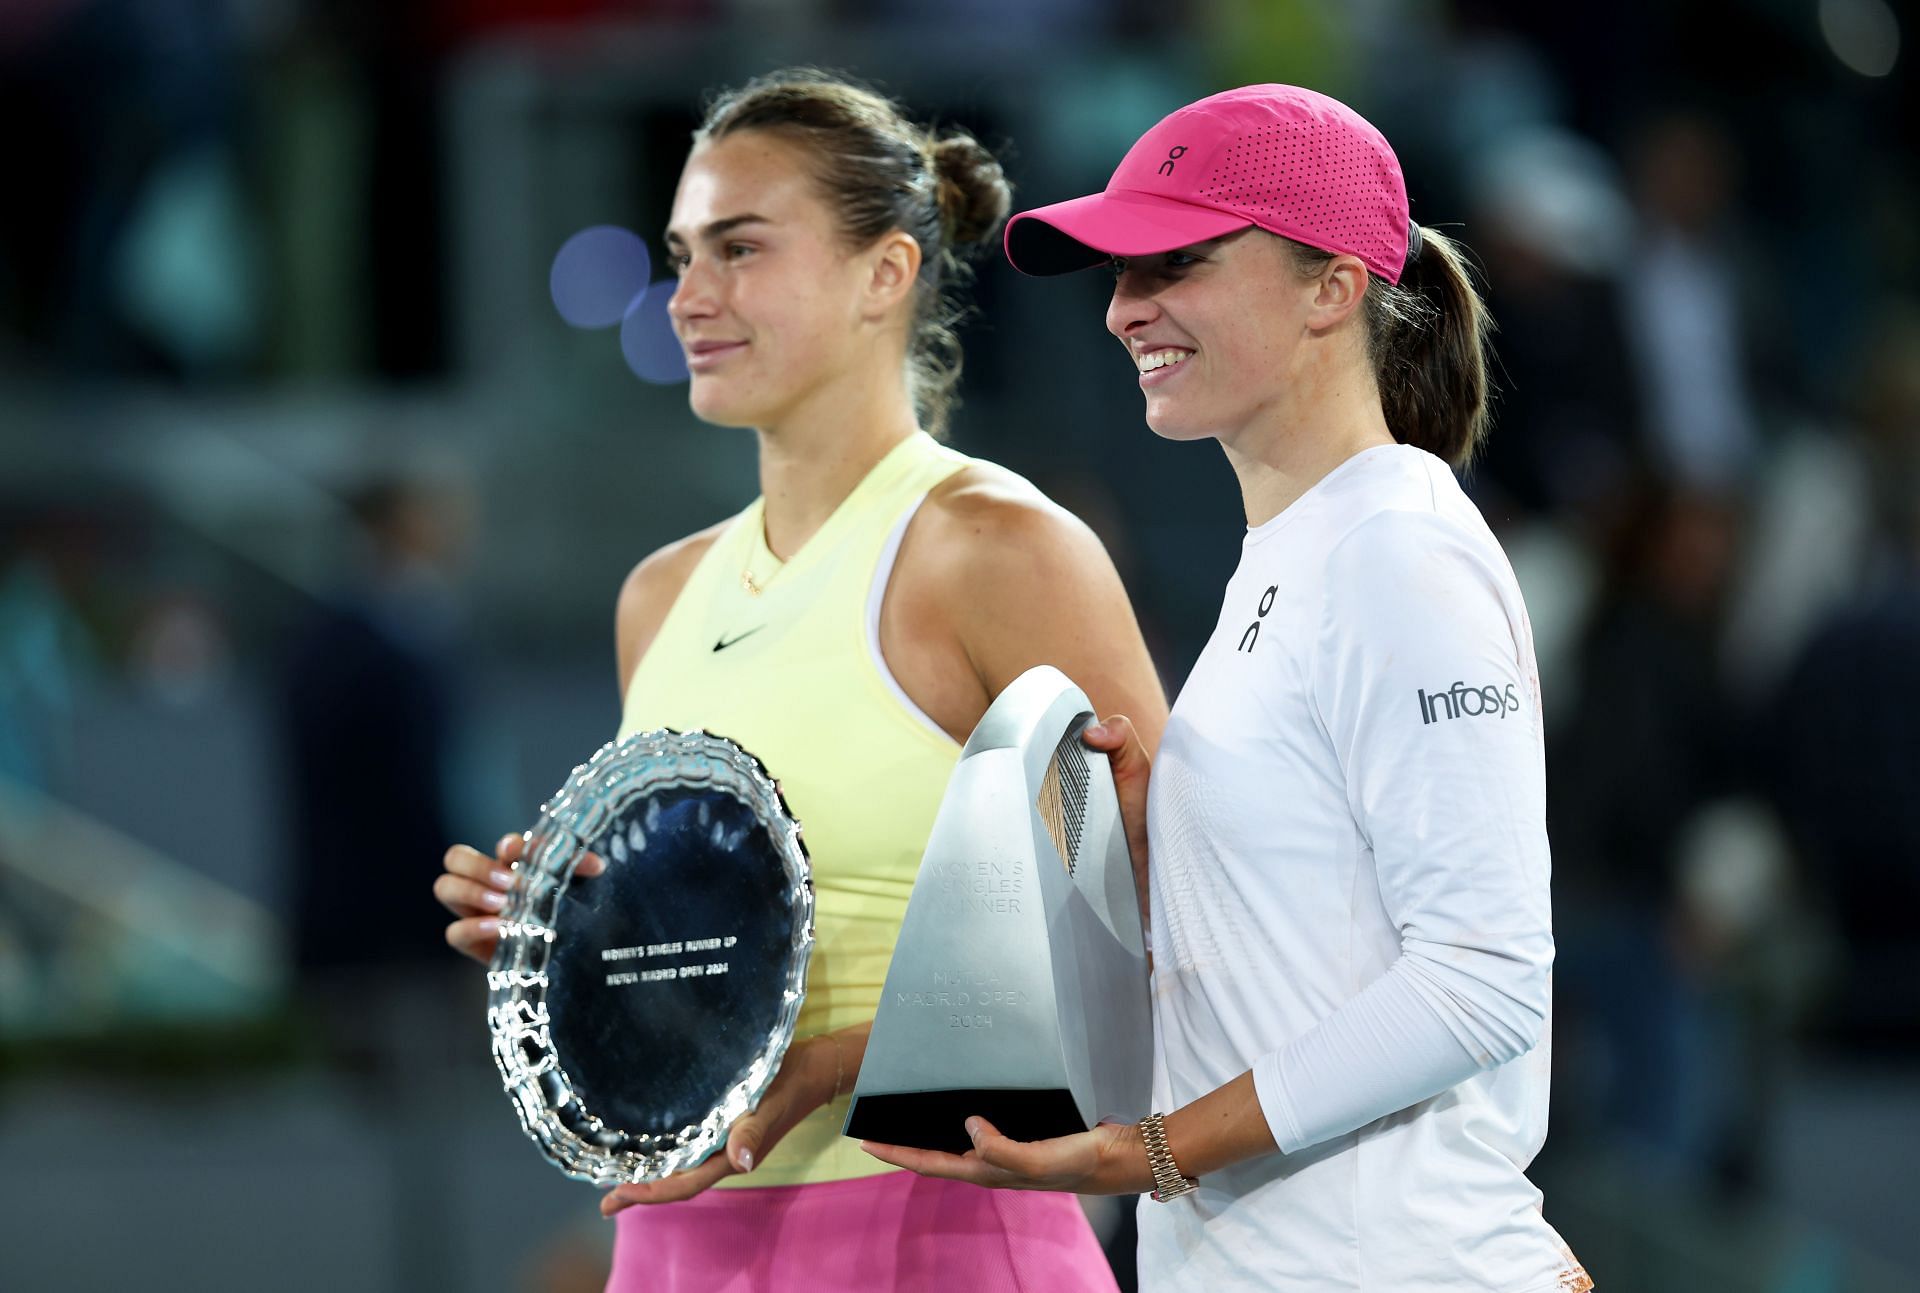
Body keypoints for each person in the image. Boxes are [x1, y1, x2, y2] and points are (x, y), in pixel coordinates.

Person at [434, 68, 1168, 1292]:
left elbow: (1162, 936)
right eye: (681, 254)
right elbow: (704, 971)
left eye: (740, 249)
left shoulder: (999, 548)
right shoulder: (658, 598)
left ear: (885, 273)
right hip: (675, 1240)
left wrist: (834, 1065)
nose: (689, 297)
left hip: (939, 1232)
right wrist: (569, 938)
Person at [864, 85, 1593, 1293]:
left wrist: (1148, 1151)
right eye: (1118, 275)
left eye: (1175, 265)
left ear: (1333, 287)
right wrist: (1170, 852)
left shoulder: (1396, 553)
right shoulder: (1302, 553)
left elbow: (1483, 977)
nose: (1124, 312)